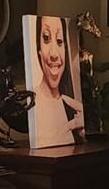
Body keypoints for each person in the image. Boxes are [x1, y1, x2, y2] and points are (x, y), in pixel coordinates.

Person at [26, 13, 84, 149]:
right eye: (46, 38)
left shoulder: (72, 106)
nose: (54, 54)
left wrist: (82, 134)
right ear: (38, 49)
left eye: (59, 41)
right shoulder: (31, 102)